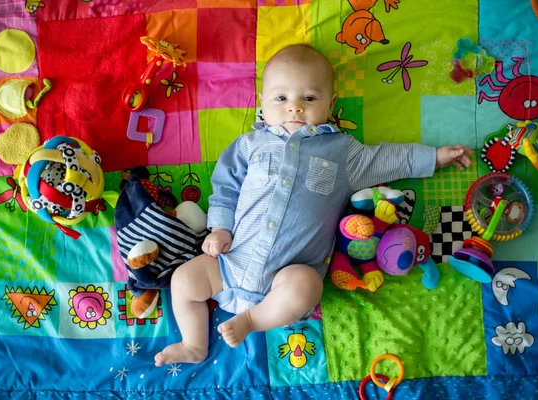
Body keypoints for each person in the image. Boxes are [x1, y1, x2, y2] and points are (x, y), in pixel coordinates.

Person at [154, 44, 473, 366]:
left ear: (331, 104)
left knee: (307, 285)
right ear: (262, 102)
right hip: (229, 263)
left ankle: (252, 321)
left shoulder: (343, 151)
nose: (294, 108)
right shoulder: (250, 146)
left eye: (308, 98)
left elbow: (389, 158)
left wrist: (434, 157)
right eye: (281, 98)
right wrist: (220, 228)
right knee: (183, 279)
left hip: (288, 276)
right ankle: (194, 344)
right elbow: (225, 187)